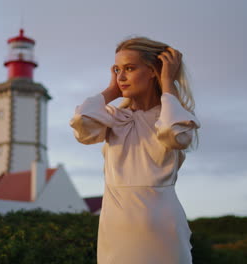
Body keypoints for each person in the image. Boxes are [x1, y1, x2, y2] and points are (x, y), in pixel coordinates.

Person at [70, 36, 200, 264]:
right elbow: (82, 122)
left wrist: (168, 84)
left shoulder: (171, 116)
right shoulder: (114, 118)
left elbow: (174, 134)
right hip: (116, 230)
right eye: (117, 70)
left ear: (152, 71)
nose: (121, 77)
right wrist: (112, 90)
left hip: (163, 228)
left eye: (129, 69)